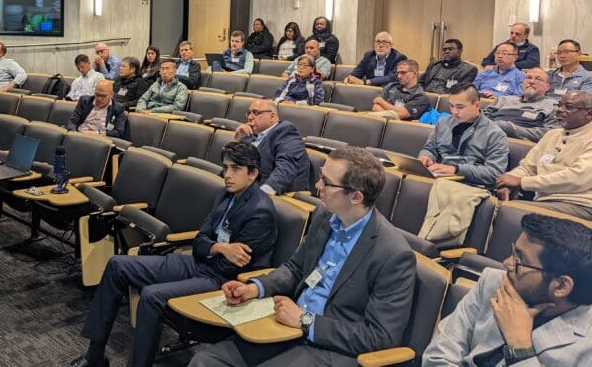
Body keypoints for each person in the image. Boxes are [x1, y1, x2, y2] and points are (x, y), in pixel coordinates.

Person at [190, 146, 417, 367]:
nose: (317, 186)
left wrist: (305, 320)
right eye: (320, 177)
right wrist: (255, 288)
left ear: (356, 197)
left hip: (331, 348)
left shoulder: (393, 255)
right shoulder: (324, 215)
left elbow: (380, 336)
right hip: (288, 325)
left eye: (326, 183)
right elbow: (295, 269)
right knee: (206, 360)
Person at [69, 142, 278, 367]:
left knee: (151, 295)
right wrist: (219, 248)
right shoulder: (225, 195)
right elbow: (199, 240)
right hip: (198, 263)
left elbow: (228, 268)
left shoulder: (260, 213)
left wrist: (210, 247)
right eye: (225, 168)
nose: (227, 175)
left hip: (220, 281)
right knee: (117, 265)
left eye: (235, 169)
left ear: (253, 173)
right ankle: (94, 356)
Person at [422, 213, 592, 366]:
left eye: (519, 260)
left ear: (560, 286)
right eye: (513, 252)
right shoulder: (493, 282)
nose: (506, 263)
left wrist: (521, 350)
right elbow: (438, 355)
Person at [494, 91, 592, 220]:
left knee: (503, 212)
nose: (560, 110)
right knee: (488, 203)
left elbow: (576, 179)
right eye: (559, 105)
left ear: (590, 114)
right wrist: (508, 183)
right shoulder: (552, 135)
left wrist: (521, 182)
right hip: (544, 200)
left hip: (579, 204)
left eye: (568, 107)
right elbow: (527, 167)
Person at [418, 83, 509, 187]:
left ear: (477, 105)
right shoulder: (443, 123)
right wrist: (426, 157)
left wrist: (456, 169)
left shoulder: (495, 134)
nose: (454, 112)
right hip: (438, 179)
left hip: (470, 185)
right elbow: (430, 148)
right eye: (451, 106)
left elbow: (495, 173)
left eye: (460, 107)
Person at [233, 99, 314, 194]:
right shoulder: (249, 134)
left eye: (255, 112)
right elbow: (231, 163)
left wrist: (260, 196)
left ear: (272, 116)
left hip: (266, 196)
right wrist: (236, 140)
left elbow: (285, 168)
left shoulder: (286, 131)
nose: (250, 117)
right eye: (248, 113)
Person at [483, 67, 557, 142]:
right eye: (528, 78)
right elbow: (482, 117)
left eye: (538, 79)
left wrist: (514, 129)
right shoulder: (504, 99)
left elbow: (550, 133)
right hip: (486, 135)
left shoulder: (551, 106)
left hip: (516, 143)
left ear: (547, 87)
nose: (531, 81)